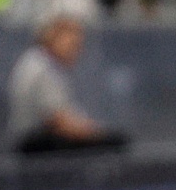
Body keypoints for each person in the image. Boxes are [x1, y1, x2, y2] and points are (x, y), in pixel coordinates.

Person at [7, 16, 125, 153]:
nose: (77, 52)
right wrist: (98, 134)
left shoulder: (35, 60)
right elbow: (61, 122)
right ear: (53, 37)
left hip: (33, 140)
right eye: (73, 45)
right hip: (36, 144)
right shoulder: (43, 68)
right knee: (114, 142)